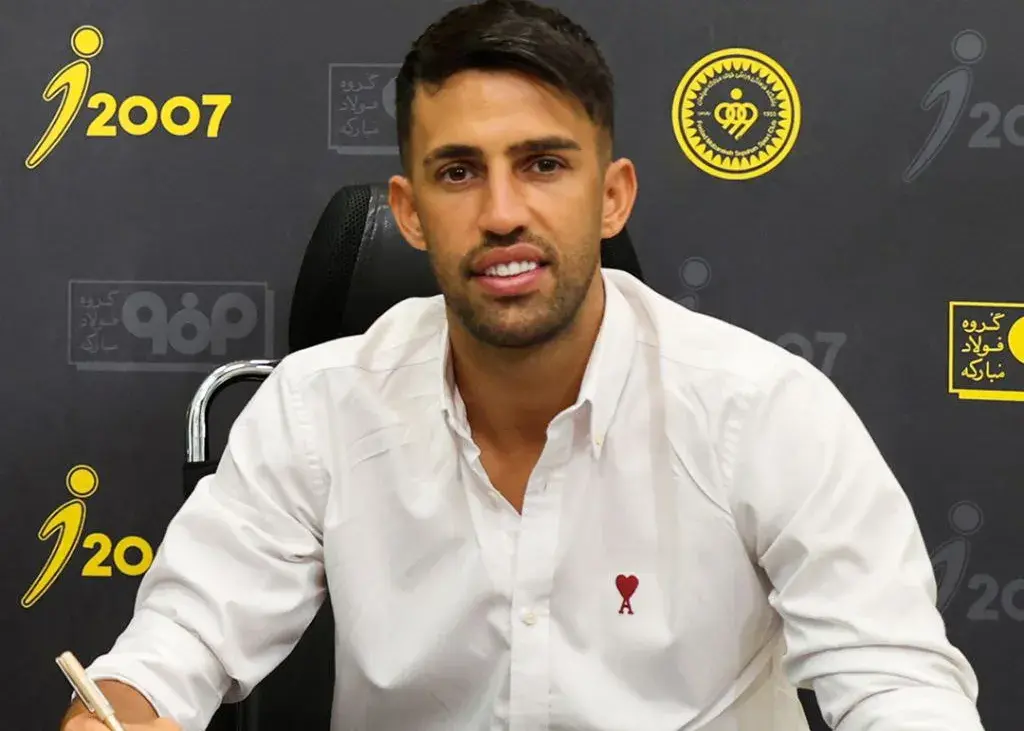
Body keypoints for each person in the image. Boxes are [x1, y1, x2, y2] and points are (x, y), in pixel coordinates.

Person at [62, 1, 985, 729]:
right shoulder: (314, 409)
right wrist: (118, 714)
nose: (502, 212)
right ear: (410, 211)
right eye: (459, 171)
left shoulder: (765, 409)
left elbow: (896, 681)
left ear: (611, 197)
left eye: (543, 164)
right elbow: (175, 647)